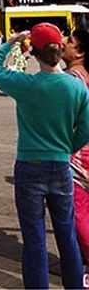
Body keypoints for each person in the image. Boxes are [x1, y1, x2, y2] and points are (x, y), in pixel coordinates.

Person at [0, 22, 89, 290]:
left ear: (34, 53)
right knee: (66, 236)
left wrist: (9, 43)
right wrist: (66, 147)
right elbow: (86, 129)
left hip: (30, 168)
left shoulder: (26, 84)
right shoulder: (76, 88)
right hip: (61, 167)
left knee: (34, 239)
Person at [61, 30, 89, 267]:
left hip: (77, 155)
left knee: (77, 212)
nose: (63, 43)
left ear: (80, 52)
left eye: (69, 42)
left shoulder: (70, 79)